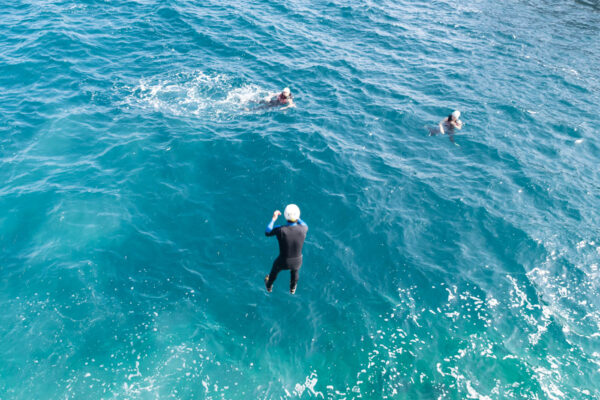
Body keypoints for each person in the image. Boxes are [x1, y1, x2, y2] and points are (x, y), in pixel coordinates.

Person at [264, 204, 308, 294]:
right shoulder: (304, 228)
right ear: (298, 215)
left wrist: (273, 218)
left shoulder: (280, 230)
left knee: (274, 270)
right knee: (295, 271)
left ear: (285, 215)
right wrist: (296, 216)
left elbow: (267, 232)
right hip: (297, 261)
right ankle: (292, 288)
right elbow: (301, 222)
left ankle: (269, 286)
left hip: (283, 262)